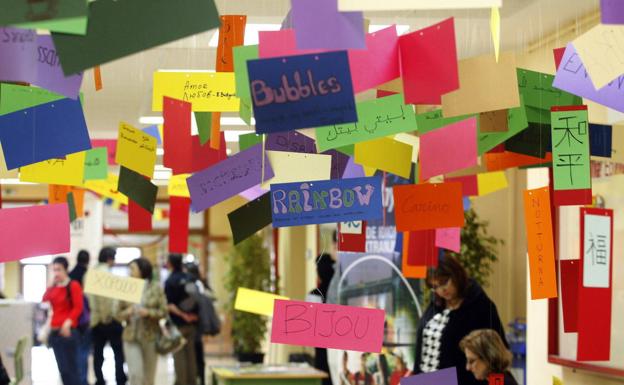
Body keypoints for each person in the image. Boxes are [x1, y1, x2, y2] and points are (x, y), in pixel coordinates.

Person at [413, 254, 507, 385]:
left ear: (456, 274)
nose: (442, 290)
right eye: (435, 287)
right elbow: (421, 348)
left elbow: (498, 356)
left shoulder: (480, 306)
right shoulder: (435, 305)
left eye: (444, 282)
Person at [117, 258, 167, 385]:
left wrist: (148, 313)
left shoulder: (156, 288)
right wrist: (127, 312)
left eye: (133, 268)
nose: (130, 271)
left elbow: (164, 312)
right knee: (135, 375)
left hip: (150, 337)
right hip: (130, 336)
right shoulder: (126, 288)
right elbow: (117, 314)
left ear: (142, 269)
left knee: (148, 378)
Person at [42, 256, 83, 385]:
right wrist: (50, 285)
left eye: (59, 269)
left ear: (66, 269)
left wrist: (68, 323)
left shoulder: (73, 285)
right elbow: (44, 300)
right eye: (54, 270)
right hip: (55, 333)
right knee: (63, 370)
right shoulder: (54, 287)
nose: (56, 273)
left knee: (72, 369)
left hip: (68, 331)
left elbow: (78, 307)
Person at [90, 247, 127, 385]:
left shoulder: (91, 273)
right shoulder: (106, 274)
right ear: (109, 258)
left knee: (98, 353)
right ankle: (120, 379)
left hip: (95, 320)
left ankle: (99, 379)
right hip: (109, 320)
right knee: (118, 353)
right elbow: (106, 300)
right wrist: (107, 318)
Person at [165, 254, 199, 385]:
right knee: (191, 355)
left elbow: (170, 305)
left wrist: (182, 315)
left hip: (178, 324)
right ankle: (192, 382)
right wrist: (192, 316)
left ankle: (181, 382)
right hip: (192, 323)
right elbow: (198, 299)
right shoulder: (190, 278)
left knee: (179, 356)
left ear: (170, 263)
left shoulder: (170, 281)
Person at [309, 253, 335, 385]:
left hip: (321, 350)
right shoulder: (341, 292)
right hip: (339, 349)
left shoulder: (314, 294)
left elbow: (309, 327)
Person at [184, 262, 209, 385]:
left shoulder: (193, 284)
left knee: (194, 355)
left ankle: (197, 379)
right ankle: (200, 379)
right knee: (197, 354)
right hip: (197, 324)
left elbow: (195, 303)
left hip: (194, 325)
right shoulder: (200, 283)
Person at [69, 250, 91, 385]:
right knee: (84, 351)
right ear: (88, 260)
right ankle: (83, 380)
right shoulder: (89, 276)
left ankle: (76, 380)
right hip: (85, 318)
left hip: (72, 319)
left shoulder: (70, 276)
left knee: (74, 351)